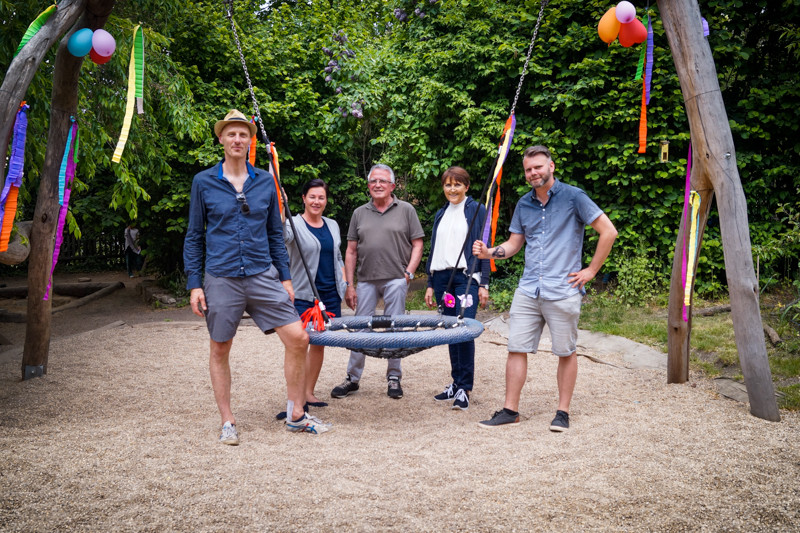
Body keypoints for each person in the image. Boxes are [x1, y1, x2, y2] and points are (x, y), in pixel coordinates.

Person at [184, 109, 332, 444]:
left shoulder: (265, 181)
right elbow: (194, 236)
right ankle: (227, 420)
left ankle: (296, 414)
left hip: (262, 273)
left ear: (250, 140)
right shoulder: (203, 182)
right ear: (221, 139)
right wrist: (195, 284)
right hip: (221, 276)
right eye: (231, 134)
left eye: (243, 134)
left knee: (298, 338)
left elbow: (275, 233)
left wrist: (286, 278)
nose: (237, 139)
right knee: (220, 348)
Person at [473, 145, 617, 432]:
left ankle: (562, 413)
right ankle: (510, 410)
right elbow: (514, 244)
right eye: (528, 169)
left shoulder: (574, 197)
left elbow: (608, 231)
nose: (533, 173)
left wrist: (591, 271)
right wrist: (489, 252)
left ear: (551, 166)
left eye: (538, 167)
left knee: (565, 351)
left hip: (563, 289)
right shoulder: (524, 204)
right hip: (529, 289)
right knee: (516, 348)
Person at [331, 164, 424, 400]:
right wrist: (349, 285)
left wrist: (409, 273)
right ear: (368, 185)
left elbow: (418, 244)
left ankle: (394, 378)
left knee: (396, 327)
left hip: (396, 278)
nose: (378, 185)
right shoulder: (359, 213)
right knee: (359, 328)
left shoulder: (406, 210)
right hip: (366, 280)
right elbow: (351, 251)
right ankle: (352, 378)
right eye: (373, 181)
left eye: (383, 181)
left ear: (392, 186)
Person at [424, 166, 489, 411]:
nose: (452, 189)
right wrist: (430, 283)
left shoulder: (476, 209)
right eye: (448, 185)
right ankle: (455, 382)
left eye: (457, 184)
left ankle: (465, 387)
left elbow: (484, 245)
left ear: (466, 186)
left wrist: (484, 282)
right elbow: (435, 248)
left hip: (465, 279)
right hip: (443, 280)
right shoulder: (441, 213)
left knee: (464, 330)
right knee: (451, 330)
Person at [283, 178, 347, 409]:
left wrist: (345, 283)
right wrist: (280, 207)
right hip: (303, 296)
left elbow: (338, 256)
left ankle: (309, 393)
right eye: (312, 197)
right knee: (298, 345)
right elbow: (281, 236)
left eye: (321, 197)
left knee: (319, 344)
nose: (316, 201)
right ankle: (296, 399)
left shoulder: (332, 225)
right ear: (303, 198)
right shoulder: (293, 224)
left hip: (330, 295)